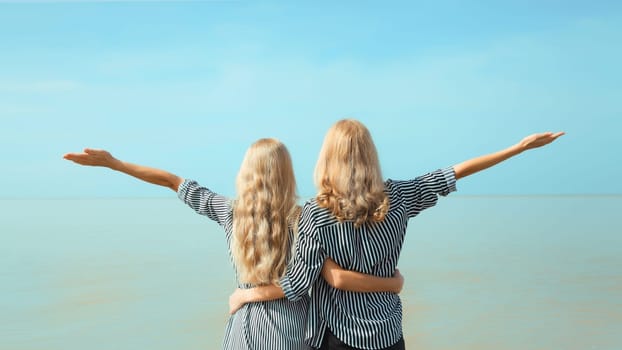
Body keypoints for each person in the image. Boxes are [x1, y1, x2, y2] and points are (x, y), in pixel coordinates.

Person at [229, 120, 565, 350]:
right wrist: (517, 149)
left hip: (338, 336)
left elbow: (298, 285)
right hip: (388, 334)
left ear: (327, 158)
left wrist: (247, 295)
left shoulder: (315, 214)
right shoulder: (400, 197)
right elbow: (455, 171)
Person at [63, 138, 404, 350]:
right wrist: (391, 281)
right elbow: (320, 278)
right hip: (295, 331)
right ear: (286, 174)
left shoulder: (229, 211)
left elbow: (171, 181)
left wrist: (114, 164)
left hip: (245, 330)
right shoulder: (305, 217)